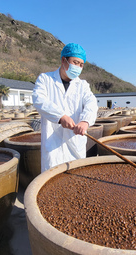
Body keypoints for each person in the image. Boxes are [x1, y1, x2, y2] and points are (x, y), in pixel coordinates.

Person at [32, 43, 98, 172]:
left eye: (81, 64)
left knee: (76, 175)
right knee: (51, 177)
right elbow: (39, 100)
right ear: (64, 60)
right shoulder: (45, 79)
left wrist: (85, 121)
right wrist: (60, 116)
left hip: (75, 142)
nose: (78, 67)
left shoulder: (82, 85)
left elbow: (91, 103)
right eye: (75, 62)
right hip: (53, 144)